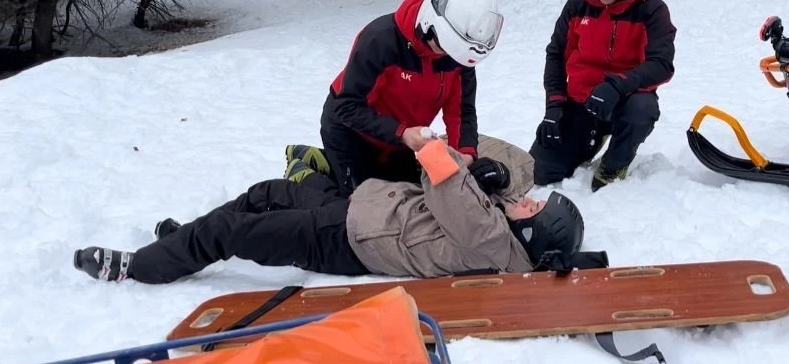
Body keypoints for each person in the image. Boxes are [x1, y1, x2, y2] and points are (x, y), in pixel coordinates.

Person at [72, 139, 585, 284]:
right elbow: (478, 195)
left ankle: (139, 267)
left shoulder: (494, 241)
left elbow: (441, 176)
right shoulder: (500, 231)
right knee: (267, 192)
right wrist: (495, 176)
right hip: (360, 210)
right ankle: (186, 239)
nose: (524, 201)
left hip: (347, 240)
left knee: (234, 230)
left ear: (535, 235)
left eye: (533, 208)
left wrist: (436, 147)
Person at [317, 0, 503, 196]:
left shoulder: (459, 56)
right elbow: (347, 106)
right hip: (351, 132)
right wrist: (402, 133)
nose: (448, 57)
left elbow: (462, 111)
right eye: (444, 48)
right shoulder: (380, 40)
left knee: (411, 197)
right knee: (361, 204)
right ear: (428, 25)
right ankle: (308, 170)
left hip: (399, 140)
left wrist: (464, 153)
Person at [531, 0, 676, 191]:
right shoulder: (578, 4)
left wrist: (617, 85)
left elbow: (661, 64)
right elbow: (556, 55)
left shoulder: (652, 10)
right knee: (539, 172)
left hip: (625, 98)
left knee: (642, 109)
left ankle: (615, 163)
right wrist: (554, 106)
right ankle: (590, 137)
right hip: (580, 101)